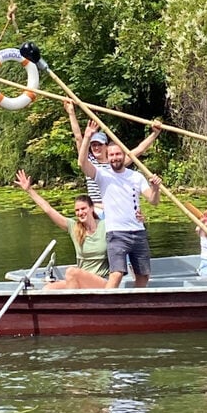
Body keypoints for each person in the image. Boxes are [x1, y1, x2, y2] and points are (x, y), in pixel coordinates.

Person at [79, 120, 161, 288]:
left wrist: (156, 188)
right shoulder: (102, 175)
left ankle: (136, 308)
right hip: (117, 233)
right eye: (111, 155)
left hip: (138, 231)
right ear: (107, 157)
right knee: (116, 274)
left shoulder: (136, 177)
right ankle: (106, 309)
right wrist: (87, 136)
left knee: (143, 276)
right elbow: (82, 163)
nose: (115, 158)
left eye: (118, 154)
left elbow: (153, 201)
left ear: (124, 155)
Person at [14, 169, 109, 289]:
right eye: (77, 210)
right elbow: (48, 209)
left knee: (71, 272)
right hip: (80, 281)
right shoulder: (74, 227)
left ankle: (74, 306)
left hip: (101, 281)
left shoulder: (105, 225)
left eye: (83, 209)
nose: (80, 213)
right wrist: (29, 190)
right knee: (48, 289)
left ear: (91, 208)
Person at [64, 100, 162, 213]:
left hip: (114, 209)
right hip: (96, 209)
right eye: (93, 145)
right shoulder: (89, 162)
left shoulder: (116, 162)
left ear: (106, 146)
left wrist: (155, 133)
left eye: (99, 145)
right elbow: (78, 137)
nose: (96, 148)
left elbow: (140, 149)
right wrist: (71, 112)